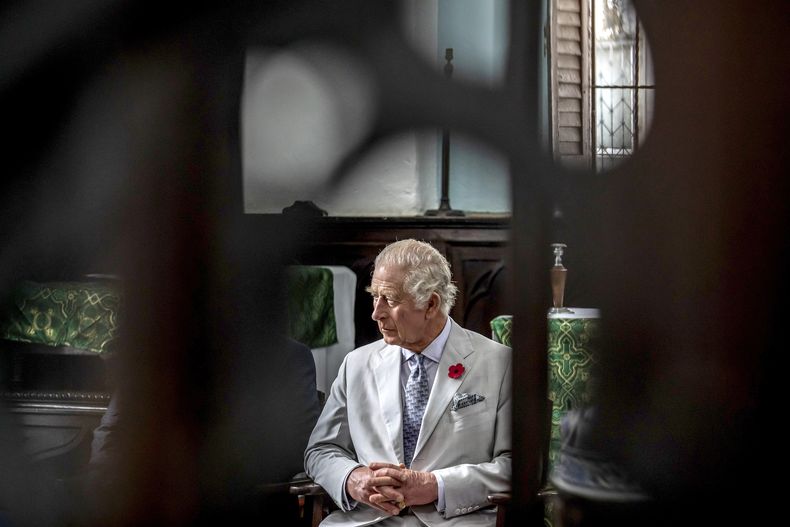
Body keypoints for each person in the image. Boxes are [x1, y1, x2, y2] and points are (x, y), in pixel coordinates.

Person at [305, 239, 511, 526]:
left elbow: (516, 466)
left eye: (389, 299)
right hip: (369, 519)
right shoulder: (356, 364)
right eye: (374, 297)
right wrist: (353, 479)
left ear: (430, 304)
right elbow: (321, 450)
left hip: (456, 519)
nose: (376, 313)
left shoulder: (499, 363)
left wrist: (435, 486)